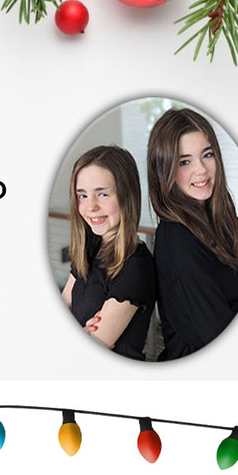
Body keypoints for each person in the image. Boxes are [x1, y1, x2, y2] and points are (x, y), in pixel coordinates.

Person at [147, 108, 238, 360]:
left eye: (207, 155)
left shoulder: (220, 214)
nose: (202, 170)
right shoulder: (177, 239)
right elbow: (219, 338)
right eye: (184, 161)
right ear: (165, 170)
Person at [59, 145, 156, 360]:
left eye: (102, 194)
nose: (90, 206)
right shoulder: (90, 249)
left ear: (127, 196)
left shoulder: (135, 267)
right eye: (82, 195)